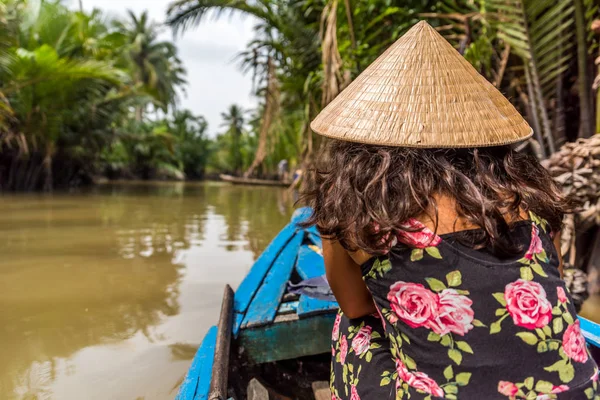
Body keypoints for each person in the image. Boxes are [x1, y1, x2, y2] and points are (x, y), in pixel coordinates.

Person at [301, 21, 599, 399]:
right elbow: (540, 277)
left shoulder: (361, 214)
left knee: (353, 328)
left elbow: (357, 305)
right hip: (579, 391)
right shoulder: (528, 198)